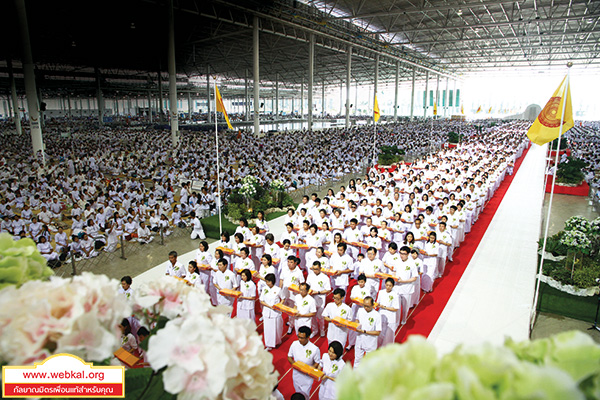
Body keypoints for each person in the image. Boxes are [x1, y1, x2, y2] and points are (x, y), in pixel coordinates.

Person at [287, 326, 320, 399]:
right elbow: (289, 356)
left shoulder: (314, 349)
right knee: (297, 394)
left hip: (307, 378)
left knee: (305, 396)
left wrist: (309, 370)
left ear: (308, 337)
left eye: (302, 338)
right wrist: (294, 364)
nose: (299, 339)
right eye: (298, 337)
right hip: (296, 374)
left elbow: (317, 362)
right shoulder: (294, 344)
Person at [354, 296, 381, 367]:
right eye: (364, 306)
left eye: (368, 306)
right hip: (360, 340)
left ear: (373, 305)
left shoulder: (377, 315)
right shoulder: (360, 310)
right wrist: (356, 324)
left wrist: (364, 331)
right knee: (357, 360)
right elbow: (357, 319)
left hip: (370, 342)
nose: (365, 308)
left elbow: (378, 332)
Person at [306, 261, 331, 337]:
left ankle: (322, 329)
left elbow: (328, 289)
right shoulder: (310, 276)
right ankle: (314, 330)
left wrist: (318, 292)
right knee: (312, 316)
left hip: (320, 299)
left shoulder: (325, 278)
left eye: (316, 269)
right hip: (311, 298)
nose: (315, 271)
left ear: (320, 268)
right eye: (313, 269)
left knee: (320, 316)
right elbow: (307, 286)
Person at [259, 273, 283, 350]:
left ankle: (278, 340)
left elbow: (283, 298)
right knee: (268, 329)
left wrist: (279, 305)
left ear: (272, 281)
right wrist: (269, 306)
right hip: (267, 311)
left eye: (268, 281)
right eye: (266, 281)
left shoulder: (278, 290)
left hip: (275, 312)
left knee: (277, 328)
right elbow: (261, 300)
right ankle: (269, 344)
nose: (267, 283)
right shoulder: (264, 289)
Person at [376, 278, 400, 347]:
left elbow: (395, 308)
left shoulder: (395, 295)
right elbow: (378, 302)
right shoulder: (381, 292)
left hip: (390, 316)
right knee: (380, 332)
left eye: (390, 285)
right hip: (382, 314)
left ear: (392, 286)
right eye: (387, 285)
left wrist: (384, 307)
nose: (388, 287)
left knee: (389, 334)